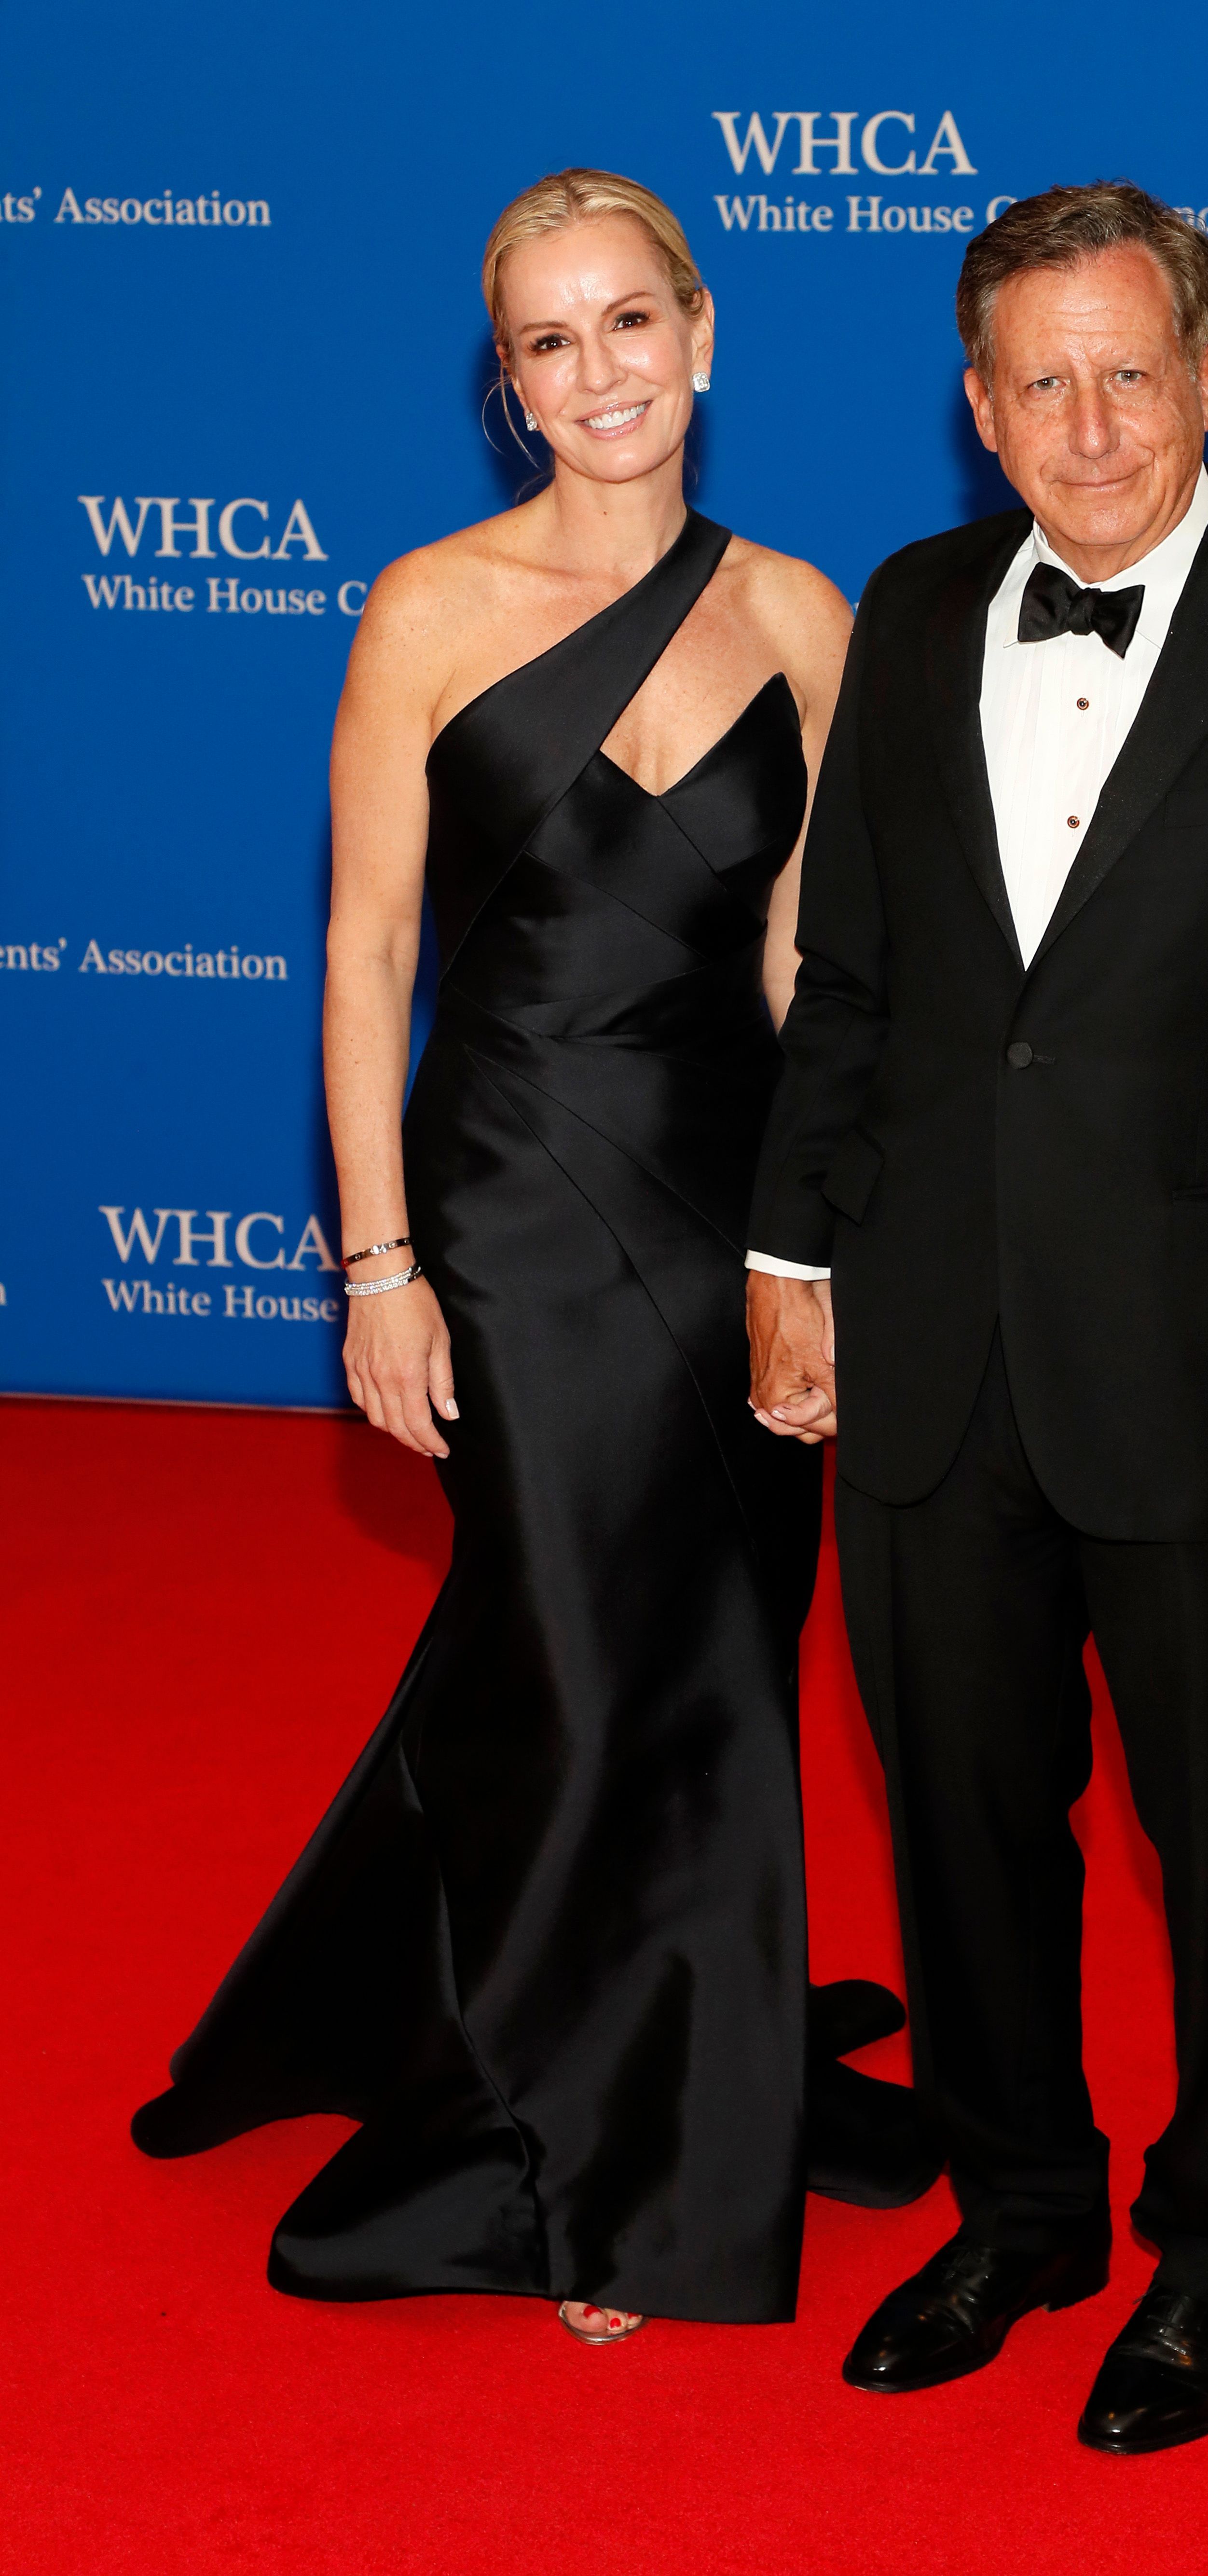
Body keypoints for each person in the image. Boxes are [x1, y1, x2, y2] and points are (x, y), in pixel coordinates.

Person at [132, 167, 931, 2342]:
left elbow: (804, 967)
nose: (598, 375)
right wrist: (374, 1265)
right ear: (508, 385)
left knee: (715, 1647)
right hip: (502, 1198)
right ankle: (598, 2150)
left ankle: (657, 2042)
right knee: (581, 1647)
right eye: (547, 343)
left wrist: (822, 1255)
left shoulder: (800, 613)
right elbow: (367, 945)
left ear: (704, 332)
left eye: (628, 324)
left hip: (728, 1202)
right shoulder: (426, 607)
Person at [746, 181, 1208, 2447]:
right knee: (963, 1821)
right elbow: (853, 982)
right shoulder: (911, 601)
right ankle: (1022, 2210)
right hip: (932, 1342)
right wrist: (792, 1262)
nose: (1086, 424)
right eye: (1035, 382)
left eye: (1126, 372)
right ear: (974, 409)